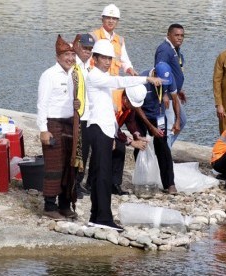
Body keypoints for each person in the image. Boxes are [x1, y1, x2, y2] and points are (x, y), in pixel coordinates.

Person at [85, 39, 162, 231]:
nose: (107, 61)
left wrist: (116, 136)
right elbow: (119, 81)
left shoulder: (101, 78)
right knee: (101, 175)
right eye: (103, 58)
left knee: (100, 173)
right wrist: (146, 79)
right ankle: (102, 218)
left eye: (109, 58)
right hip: (97, 129)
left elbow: (110, 112)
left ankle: (97, 215)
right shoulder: (94, 76)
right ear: (94, 58)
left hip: (104, 130)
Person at [37, 35, 78, 220]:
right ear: (57, 57)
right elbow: (41, 105)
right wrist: (43, 129)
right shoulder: (49, 75)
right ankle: (49, 205)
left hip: (71, 124)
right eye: (66, 54)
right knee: (54, 166)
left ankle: (65, 204)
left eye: (72, 54)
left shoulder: (75, 74)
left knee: (70, 165)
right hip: (53, 123)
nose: (70, 58)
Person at [134, 62, 181, 195]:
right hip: (141, 115)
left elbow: (175, 98)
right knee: (140, 144)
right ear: (154, 74)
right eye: (160, 81)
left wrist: (177, 120)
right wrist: (150, 127)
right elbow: (136, 107)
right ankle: (142, 181)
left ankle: (169, 183)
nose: (163, 84)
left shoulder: (168, 78)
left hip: (159, 116)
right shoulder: (143, 80)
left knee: (163, 146)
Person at [90, 3, 138, 115]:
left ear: (117, 21)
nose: (111, 21)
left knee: (118, 110)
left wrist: (130, 69)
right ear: (102, 19)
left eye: (114, 18)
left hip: (113, 83)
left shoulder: (119, 40)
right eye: (108, 18)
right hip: (98, 83)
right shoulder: (93, 36)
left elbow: (124, 60)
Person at [111, 86, 148, 195]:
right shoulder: (113, 102)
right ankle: (92, 183)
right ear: (125, 99)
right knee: (108, 148)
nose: (133, 108)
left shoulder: (129, 104)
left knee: (120, 148)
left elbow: (130, 121)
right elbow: (114, 129)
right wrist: (132, 142)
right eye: (132, 105)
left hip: (114, 128)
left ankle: (115, 184)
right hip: (101, 128)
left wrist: (137, 135)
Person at [155, 23, 186, 148]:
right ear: (168, 35)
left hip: (174, 93)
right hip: (166, 95)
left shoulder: (175, 50)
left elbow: (174, 72)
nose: (180, 38)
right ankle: (164, 156)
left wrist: (179, 90)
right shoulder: (164, 50)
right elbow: (159, 71)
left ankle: (165, 151)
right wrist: (164, 95)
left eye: (182, 35)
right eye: (176, 35)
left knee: (181, 121)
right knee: (168, 126)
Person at [71, 33, 95, 199]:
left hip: (88, 116)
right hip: (76, 116)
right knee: (75, 152)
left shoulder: (89, 68)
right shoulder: (73, 66)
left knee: (84, 152)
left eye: (90, 49)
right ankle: (72, 184)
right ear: (78, 47)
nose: (87, 51)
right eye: (85, 48)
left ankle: (78, 182)